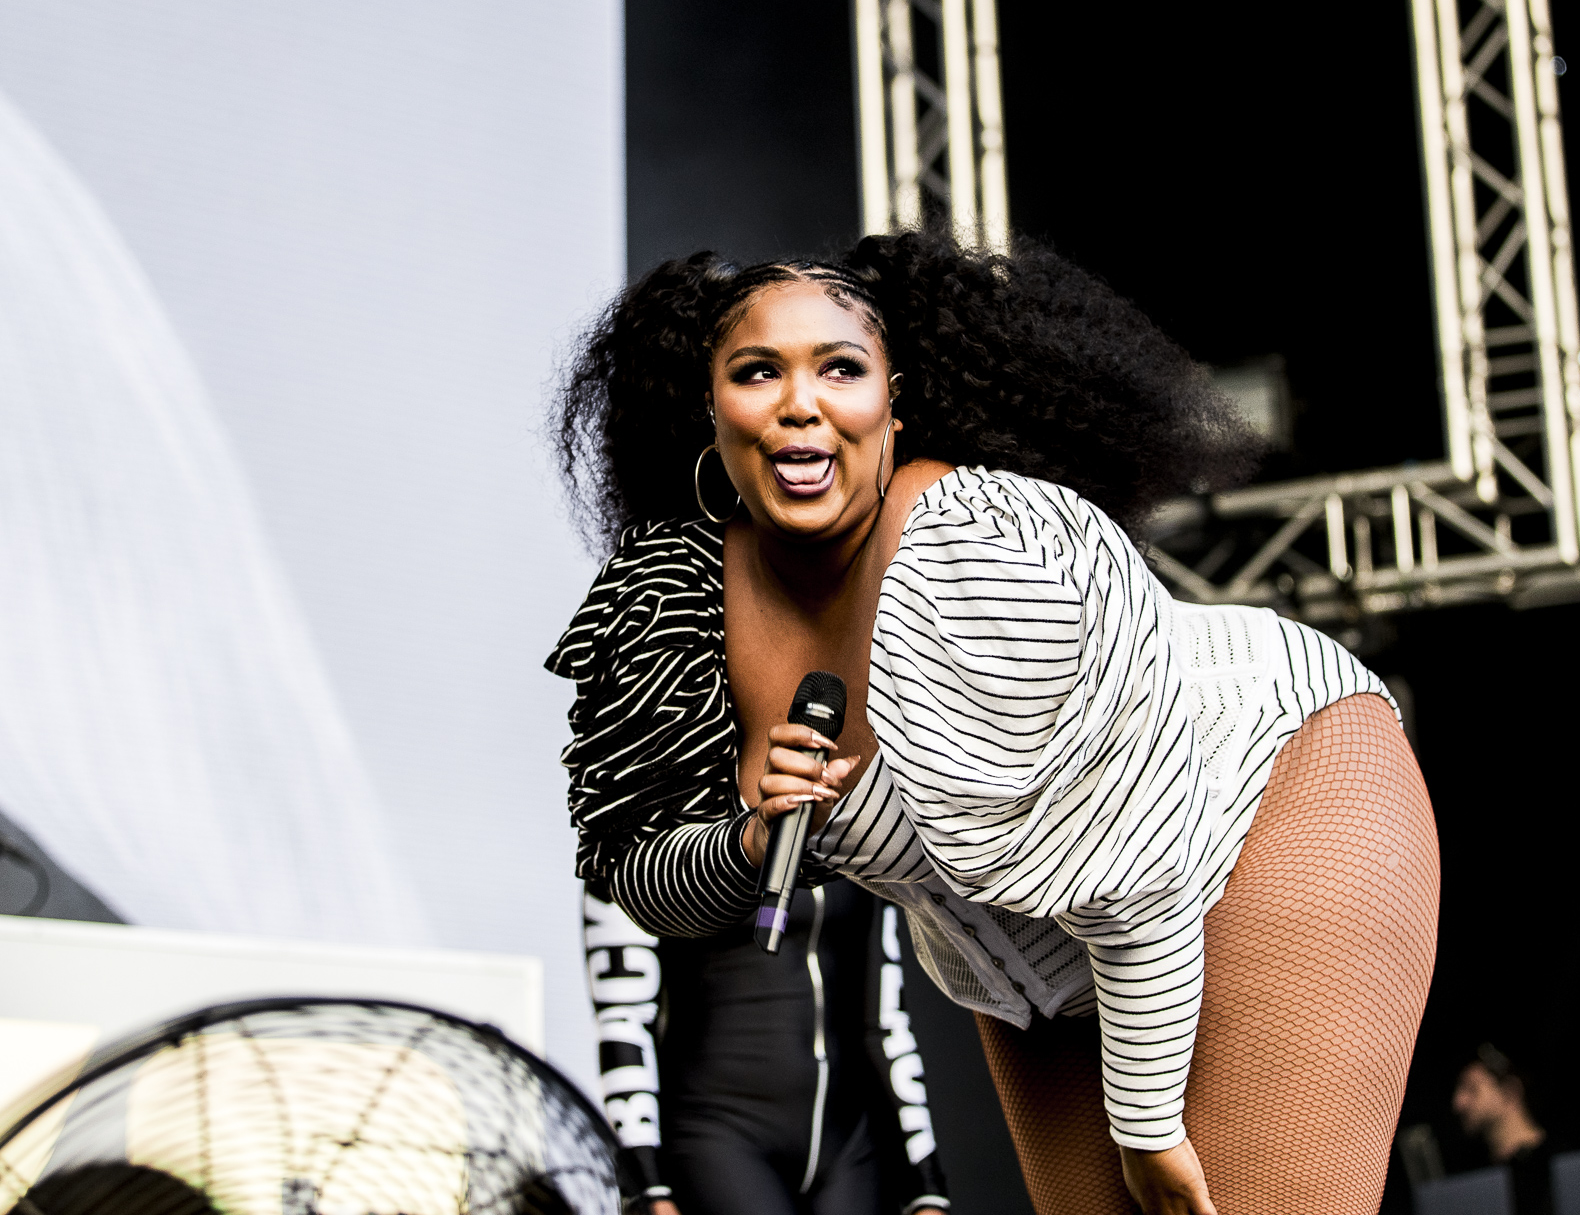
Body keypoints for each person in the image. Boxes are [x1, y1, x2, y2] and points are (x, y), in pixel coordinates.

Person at [545, 232, 1441, 1215]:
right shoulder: (677, 595)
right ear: (703, 405)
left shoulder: (970, 554)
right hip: (1024, 962)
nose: (800, 403)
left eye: (839, 369)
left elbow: (1136, 874)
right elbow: (639, 865)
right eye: (758, 372)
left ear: (897, 397)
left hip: (1262, 797)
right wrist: (749, 838)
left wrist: (1144, 1126)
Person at [584, 881, 950, 1215]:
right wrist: (647, 1189)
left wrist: (926, 1186)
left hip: (850, 1145)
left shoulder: (857, 827)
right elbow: (624, 1019)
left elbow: (884, 1021)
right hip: (718, 1137)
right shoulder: (638, 821)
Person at [1453, 1044, 1553, 1215]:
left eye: (1472, 1089)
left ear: (1510, 1092)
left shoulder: (1556, 1165)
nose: (1458, 1102)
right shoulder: (1473, 1172)